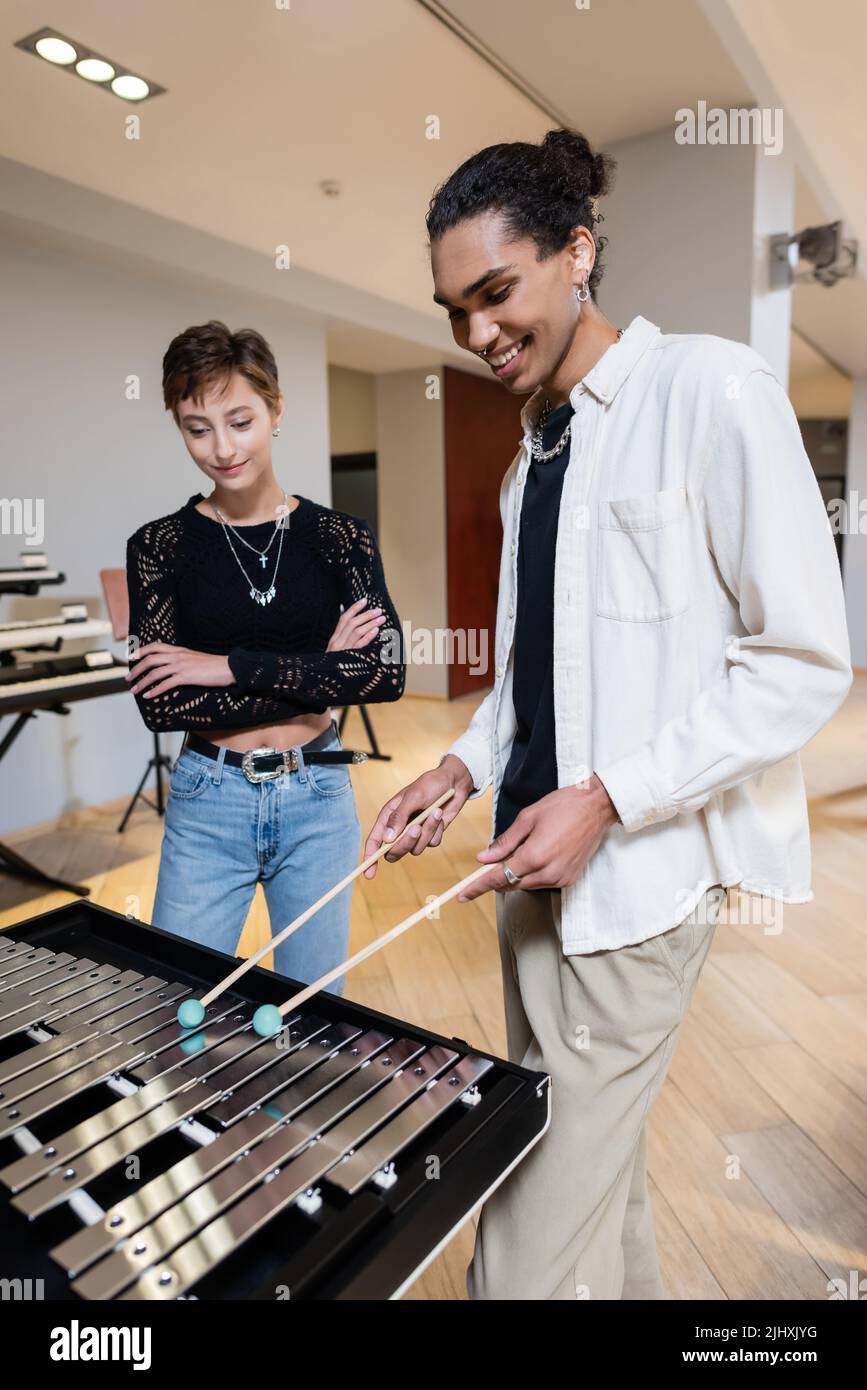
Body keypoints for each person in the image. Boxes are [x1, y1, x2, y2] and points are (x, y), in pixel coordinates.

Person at [362, 129, 853, 1299]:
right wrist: (460, 768)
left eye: (497, 293)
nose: (478, 333)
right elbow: (537, 676)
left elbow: (801, 659)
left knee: (525, 1240)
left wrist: (610, 797)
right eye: (454, 311)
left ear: (577, 252)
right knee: (597, 1182)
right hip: (523, 878)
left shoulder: (715, 388)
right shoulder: (529, 460)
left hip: (634, 888)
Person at [126, 320, 405, 990]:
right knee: (174, 1003)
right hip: (208, 797)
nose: (222, 448)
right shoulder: (160, 546)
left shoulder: (340, 538)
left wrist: (225, 664)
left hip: (318, 791)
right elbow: (163, 704)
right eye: (198, 428)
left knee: (314, 1018)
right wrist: (321, 671)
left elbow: (386, 673)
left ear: (276, 411)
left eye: (240, 420)